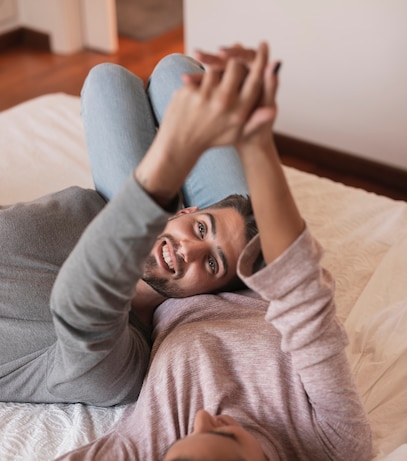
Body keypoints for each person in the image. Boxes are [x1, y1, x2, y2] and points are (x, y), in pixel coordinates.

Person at [0, 43, 372, 461]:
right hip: (250, 268)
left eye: (184, 443)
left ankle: (167, 187)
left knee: (108, 80)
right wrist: (255, 138)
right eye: (225, 437)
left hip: (180, 278)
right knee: (181, 74)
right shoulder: (332, 440)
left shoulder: (147, 451)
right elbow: (302, 293)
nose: (204, 416)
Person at [0, 51, 256, 406]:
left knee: (108, 79)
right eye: (207, 254)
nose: (190, 250)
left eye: (211, 262)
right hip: (134, 215)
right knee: (174, 72)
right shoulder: (123, 367)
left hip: (124, 211)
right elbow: (82, 309)